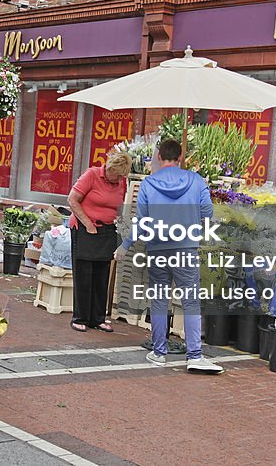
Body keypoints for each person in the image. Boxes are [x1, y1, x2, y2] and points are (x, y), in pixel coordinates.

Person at [116, 139, 223, 373]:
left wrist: (125, 245)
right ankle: (194, 355)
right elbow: (207, 212)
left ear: (159, 157)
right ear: (180, 157)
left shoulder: (148, 184)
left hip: (157, 249)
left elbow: (141, 221)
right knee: (191, 301)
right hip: (186, 247)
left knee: (159, 301)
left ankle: (158, 352)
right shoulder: (195, 180)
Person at [67, 152, 131, 332]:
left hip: (107, 231)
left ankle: (98, 318)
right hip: (85, 228)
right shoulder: (92, 175)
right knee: (84, 273)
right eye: (117, 175)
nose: (119, 179)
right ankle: (80, 317)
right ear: (110, 168)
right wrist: (88, 224)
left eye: (122, 176)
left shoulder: (121, 182)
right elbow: (72, 199)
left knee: (102, 275)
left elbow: (118, 207)